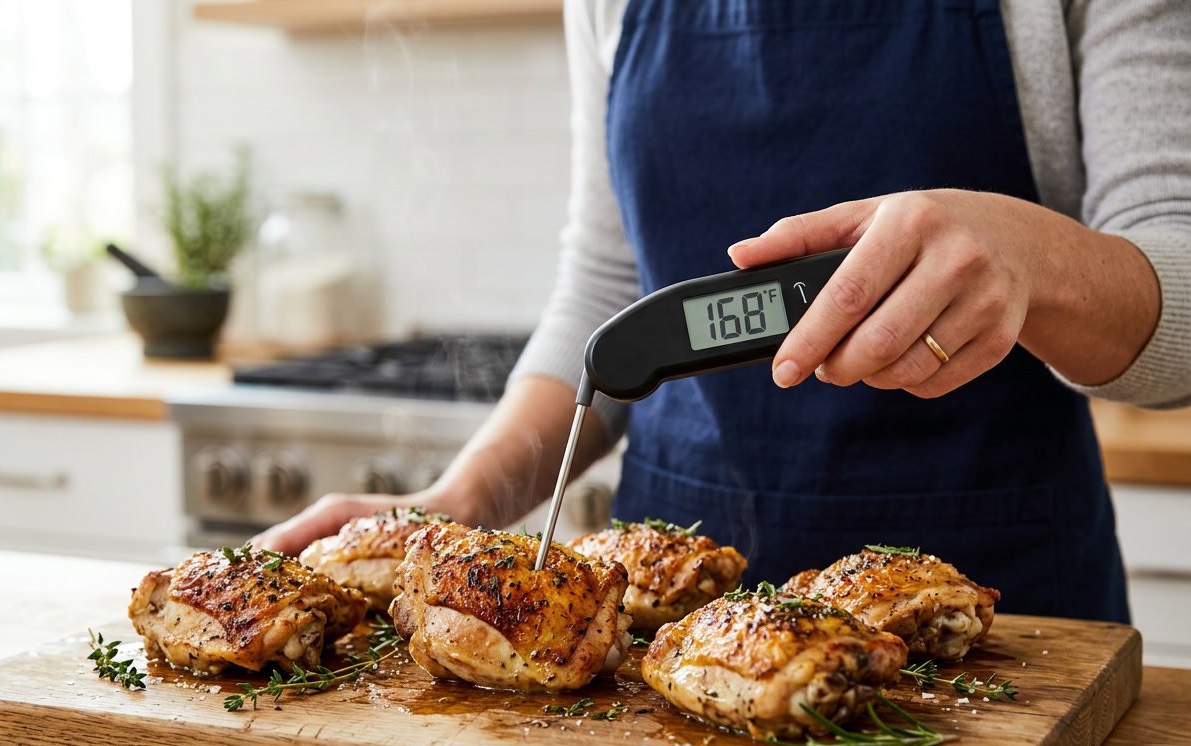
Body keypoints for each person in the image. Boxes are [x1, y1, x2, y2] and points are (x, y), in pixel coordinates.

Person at [257, 0, 1191, 623]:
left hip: (999, 594)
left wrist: (1033, 257)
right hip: (660, 610)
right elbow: (607, 284)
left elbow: (1175, 311)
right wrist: (459, 504)